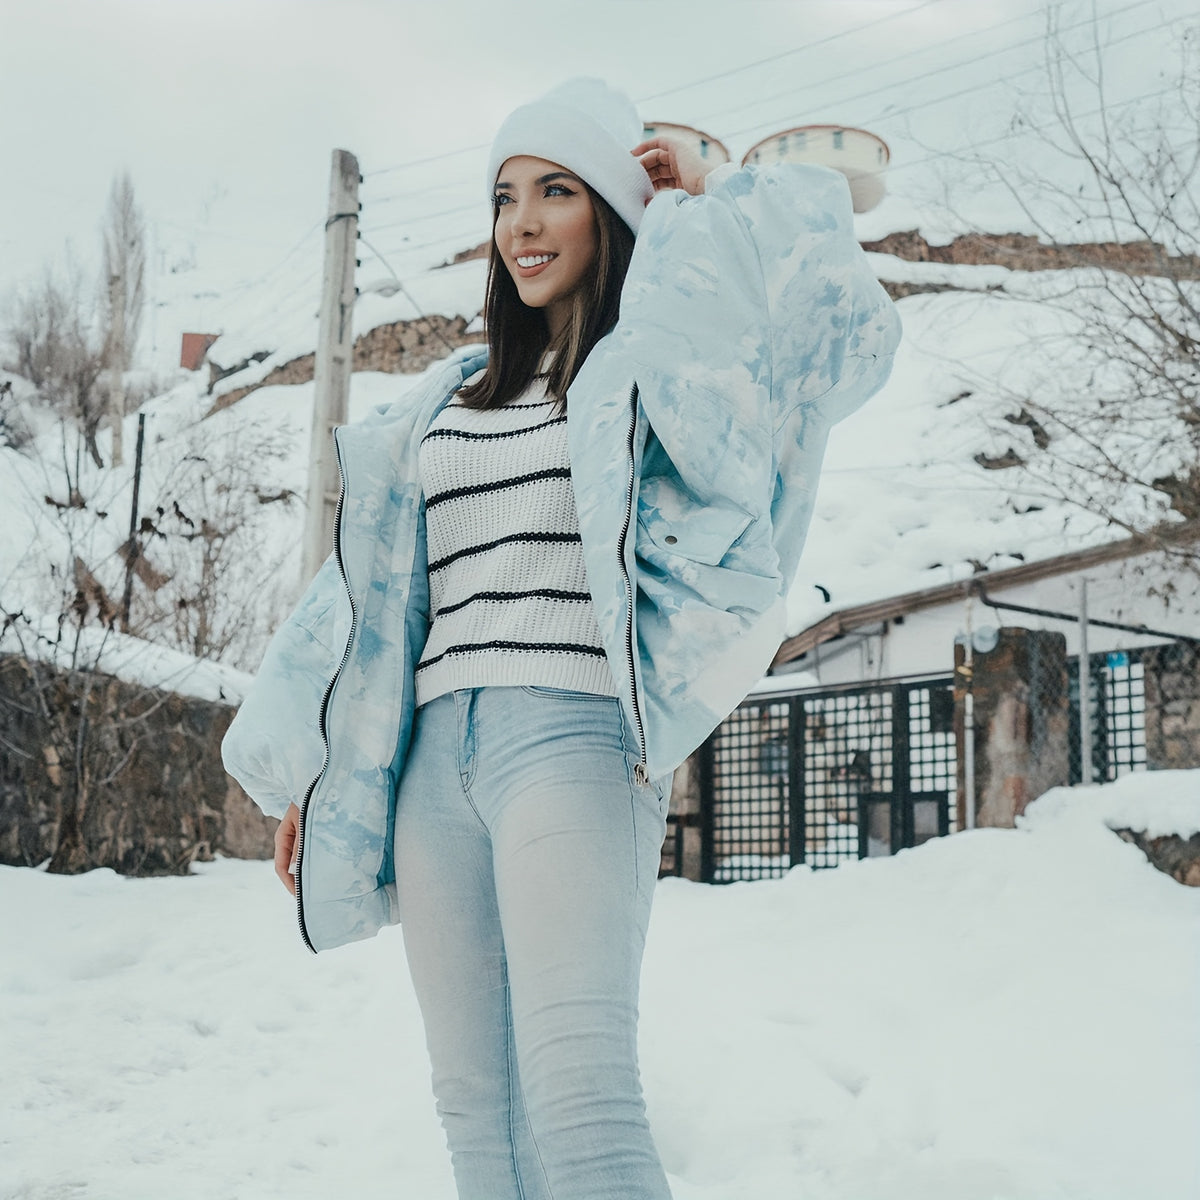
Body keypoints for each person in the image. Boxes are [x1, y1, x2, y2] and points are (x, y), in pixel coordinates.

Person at [222, 77, 900, 1200]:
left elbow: (825, 334)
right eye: (504, 197)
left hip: (573, 738)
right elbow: (365, 606)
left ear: (612, 215)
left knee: (582, 1100)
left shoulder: (654, 371)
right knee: (475, 1116)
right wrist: (316, 768)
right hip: (435, 764)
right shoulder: (447, 399)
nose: (523, 222)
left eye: (557, 191)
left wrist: (702, 201)